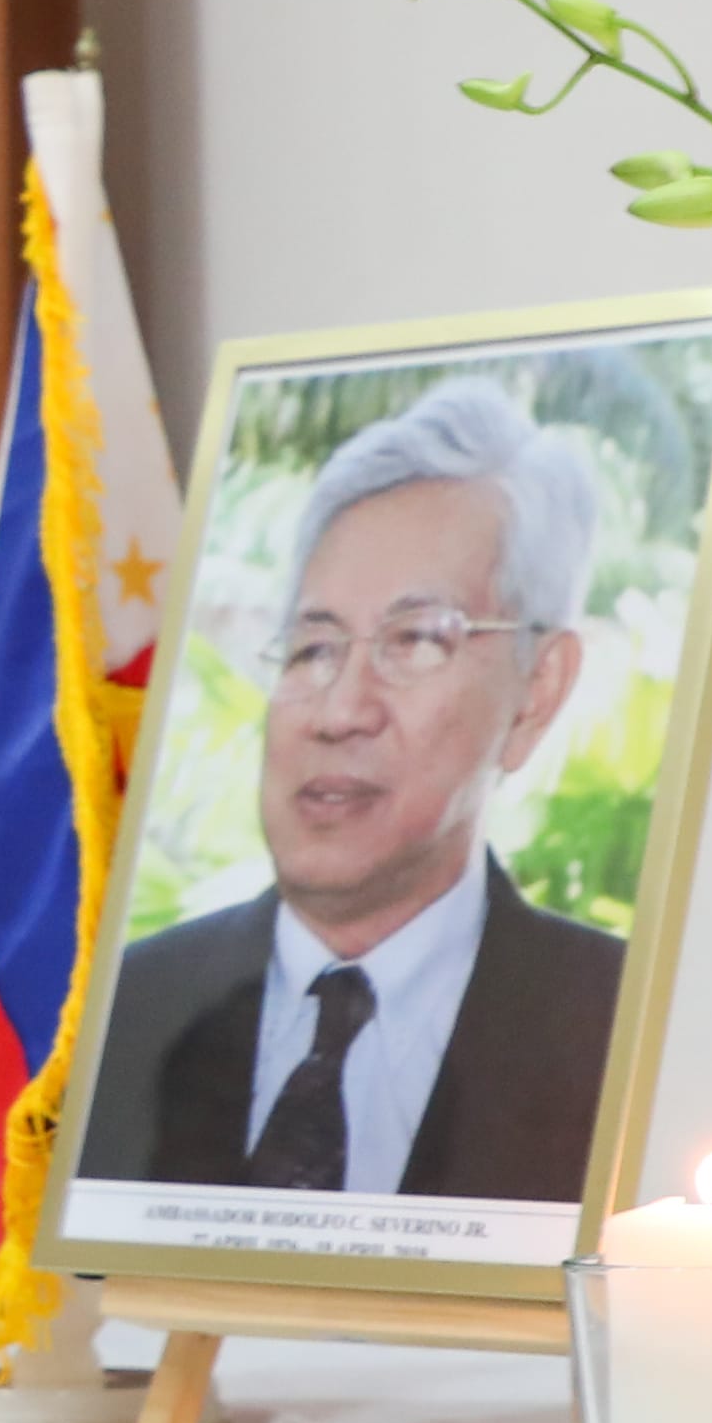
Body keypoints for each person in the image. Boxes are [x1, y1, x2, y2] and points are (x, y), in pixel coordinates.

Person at [79, 376, 629, 1211]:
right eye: (312, 647)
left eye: (414, 640)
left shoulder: (613, 1024)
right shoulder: (124, 1013)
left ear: (537, 692)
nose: (338, 713)